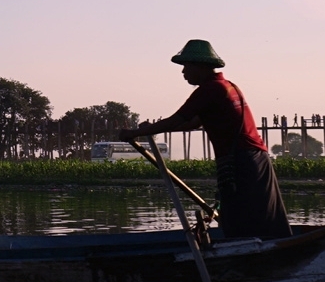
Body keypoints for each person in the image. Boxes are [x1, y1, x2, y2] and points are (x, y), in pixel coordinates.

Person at [121, 39, 291, 240]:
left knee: (242, 216)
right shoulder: (228, 86)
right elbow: (191, 123)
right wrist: (148, 130)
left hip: (242, 160)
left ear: (201, 66)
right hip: (255, 158)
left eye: (187, 66)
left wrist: (134, 134)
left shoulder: (210, 90)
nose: (183, 72)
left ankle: (248, 256)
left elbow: (176, 119)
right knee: (259, 214)